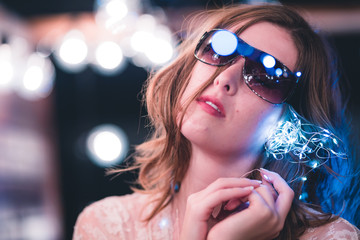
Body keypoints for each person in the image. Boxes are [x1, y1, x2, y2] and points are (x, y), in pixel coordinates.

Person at [73, 4, 360, 240]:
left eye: (263, 77)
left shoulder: (331, 237)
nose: (224, 79)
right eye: (220, 49)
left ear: (291, 123)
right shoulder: (104, 226)